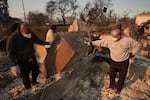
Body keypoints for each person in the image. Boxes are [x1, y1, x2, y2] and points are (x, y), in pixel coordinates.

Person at [91, 29, 141, 93]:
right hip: (114, 61)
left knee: (122, 76)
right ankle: (112, 85)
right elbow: (101, 42)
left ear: (120, 35)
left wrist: (132, 53)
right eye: (112, 36)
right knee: (112, 74)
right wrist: (92, 43)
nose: (113, 38)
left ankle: (118, 89)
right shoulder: (109, 39)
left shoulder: (127, 40)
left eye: (115, 36)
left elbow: (137, 45)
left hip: (123, 62)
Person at [7, 22, 54, 89]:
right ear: (21, 31)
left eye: (29, 32)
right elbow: (10, 52)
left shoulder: (31, 34)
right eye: (27, 33)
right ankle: (28, 88)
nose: (29, 34)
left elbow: (39, 41)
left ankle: (34, 81)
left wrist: (48, 43)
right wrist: (14, 63)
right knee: (25, 75)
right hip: (21, 59)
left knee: (36, 70)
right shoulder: (13, 38)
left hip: (31, 56)